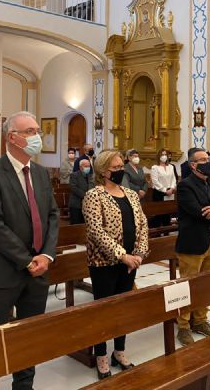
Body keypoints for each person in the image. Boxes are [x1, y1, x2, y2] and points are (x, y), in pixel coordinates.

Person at [0, 111, 59, 390]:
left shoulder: (41, 173)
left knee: (28, 336)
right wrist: (26, 260)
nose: (38, 136)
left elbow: (52, 216)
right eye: (31, 131)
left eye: (37, 131)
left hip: (38, 270)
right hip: (2, 270)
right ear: (13, 138)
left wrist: (45, 255)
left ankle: (24, 386)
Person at [82, 150, 149, 379]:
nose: (121, 171)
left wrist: (138, 254)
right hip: (104, 262)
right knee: (103, 310)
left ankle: (118, 351)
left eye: (122, 167)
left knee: (123, 308)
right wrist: (122, 255)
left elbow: (142, 223)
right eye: (116, 168)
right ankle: (101, 355)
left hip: (130, 262)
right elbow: (96, 232)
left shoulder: (130, 194)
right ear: (103, 171)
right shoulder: (94, 195)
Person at [175, 149, 210, 346]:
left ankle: (200, 321)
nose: (207, 162)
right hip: (192, 242)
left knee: (207, 284)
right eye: (203, 160)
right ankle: (183, 326)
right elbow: (198, 211)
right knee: (187, 285)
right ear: (193, 165)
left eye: (208, 159)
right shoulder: (185, 186)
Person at [150, 147, 177, 227]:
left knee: (167, 214)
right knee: (159, 215)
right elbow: (155, 182)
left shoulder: (171, 167)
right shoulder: (155, 167)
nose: (164, 156)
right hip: (159, 193)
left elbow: (173, 179)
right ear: (159, 156)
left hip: (170, 192)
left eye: (165, 154)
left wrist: (172, 188)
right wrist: (165, 190)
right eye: (162, 155)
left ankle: (166, 234)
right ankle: (157, 235)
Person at [69, 159, 94, 224]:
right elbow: (73, 188)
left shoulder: (91, 176)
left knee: (85, 225)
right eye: (86, 166)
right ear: (80, 167)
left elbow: (92, 186)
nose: (88, 168)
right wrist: (86, 195)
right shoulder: (74, 175)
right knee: (75, 225)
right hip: (76, 204)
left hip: (88, 205)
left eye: (89, 166)